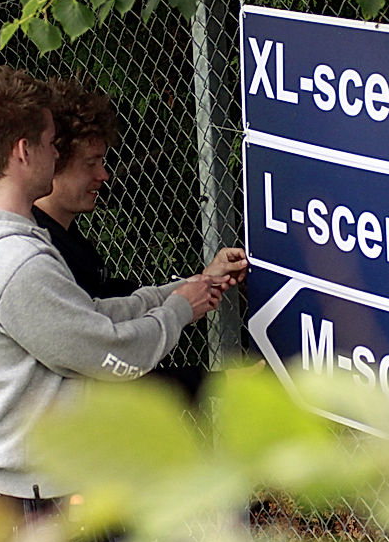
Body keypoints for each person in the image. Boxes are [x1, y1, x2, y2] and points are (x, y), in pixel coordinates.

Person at [0, 66, 231, 516]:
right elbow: (112, 355)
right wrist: (179, 311)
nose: (55, 151)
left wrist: (184, 291)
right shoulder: (15, 264)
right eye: (50, 142)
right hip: (39, 501)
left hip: (3, 488)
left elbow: (86, 317)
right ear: (23, 151)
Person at [31, 75, 248, 400]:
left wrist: (201, 282)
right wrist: (220, 383)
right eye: (90, 163)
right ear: (51, 161)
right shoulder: (37, 258)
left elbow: (121, 305)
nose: (104, 174)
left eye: (102, 161)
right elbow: (110, 362)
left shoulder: (65, 239)